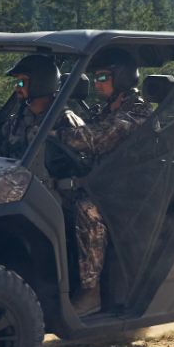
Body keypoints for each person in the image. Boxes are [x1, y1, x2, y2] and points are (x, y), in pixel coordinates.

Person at [59, 47, 154, 308]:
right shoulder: (106, 110)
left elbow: (98, 138)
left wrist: (55, 135)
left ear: (122, 77)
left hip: (131, 194)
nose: (97, 84)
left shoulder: (136, 113)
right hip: (108, 187)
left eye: (103, 78)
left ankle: (91, 292)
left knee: (87, 211)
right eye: (96, 78)